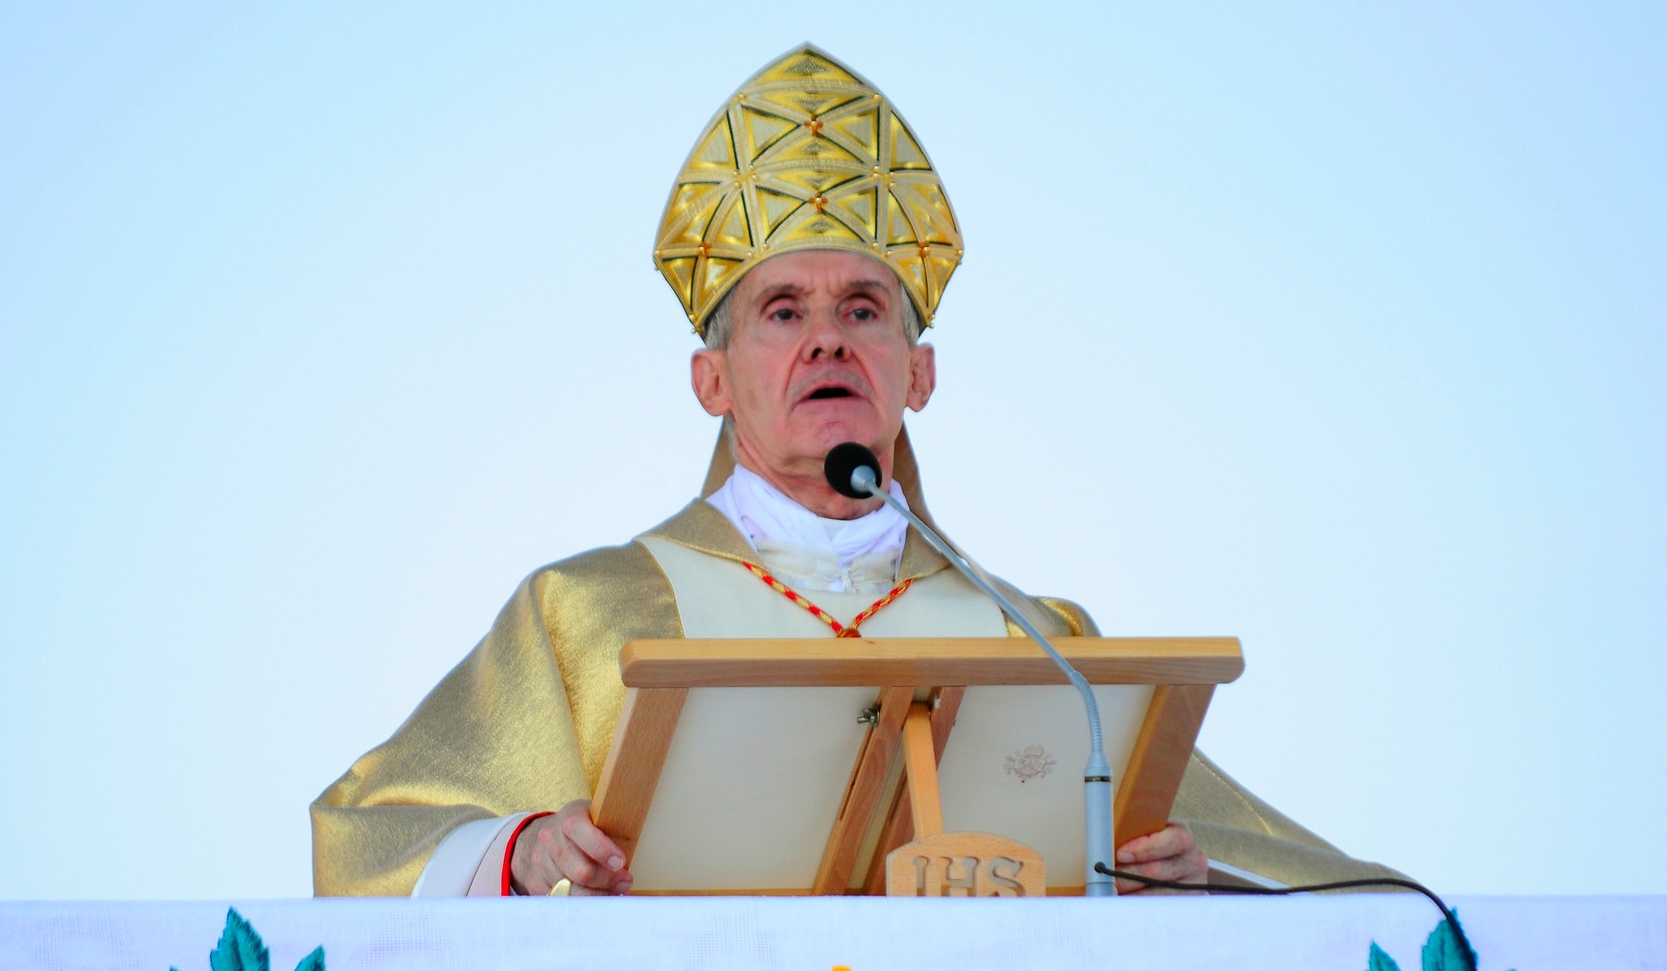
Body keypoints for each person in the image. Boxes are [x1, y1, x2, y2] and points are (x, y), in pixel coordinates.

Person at [312, 44, 1400, 898]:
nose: (826, 339)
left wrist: (1184, 878)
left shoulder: (1043, 644)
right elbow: (368, 838)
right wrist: (526, 846)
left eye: (863, 311)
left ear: (916, 374)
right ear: (712, 380)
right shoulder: (585, 613)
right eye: (783, 312)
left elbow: (1266, 871)